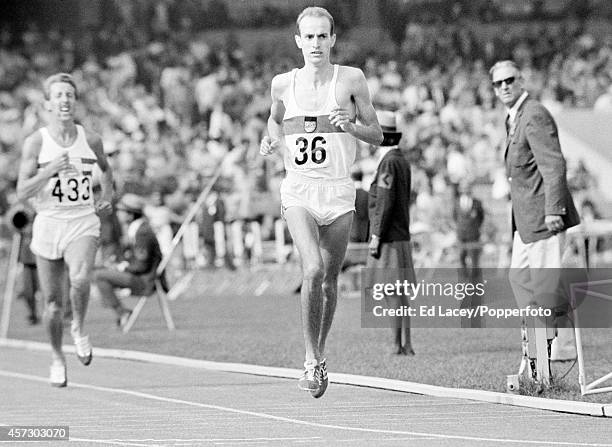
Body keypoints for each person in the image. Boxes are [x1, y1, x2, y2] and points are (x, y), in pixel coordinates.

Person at [260, 6, 383, 397]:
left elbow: (378, 133)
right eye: (308, 37)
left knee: (329, 280)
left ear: (332, 39)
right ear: (298, 41)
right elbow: (274, 120)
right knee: (311, 268)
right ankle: (310, 359)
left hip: (339, 190)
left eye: (321, 36)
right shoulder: (283, 84)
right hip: (298, 189)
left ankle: (321, 355)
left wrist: (353, 127)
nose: (315, 43)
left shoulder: (351, 79)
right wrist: (271, 140)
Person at [16, 73, 113, 387]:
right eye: (58, 95)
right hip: (48, 222)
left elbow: (107, 170)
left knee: (81, 277)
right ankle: (57, 356)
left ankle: (80, 329)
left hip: (82, 220)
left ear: (75, 101)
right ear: (48, 104)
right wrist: (51, 171)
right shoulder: (36, 142)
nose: (64, 100)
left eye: (69, 95)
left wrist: (108, 196)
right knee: (54, 305)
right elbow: (22, 191)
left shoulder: (91, 139)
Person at [490, 60, 580, 366]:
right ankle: (552, 344)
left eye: (509, 80)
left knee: (543, 286)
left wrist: (554, 210)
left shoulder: (534, 113)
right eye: (497, 83)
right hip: (525, 219)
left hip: (543, 216)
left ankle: (554, 349)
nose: (504, 86)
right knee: (521, 280)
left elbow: (553, 164)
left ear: (521, 80)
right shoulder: (514, 117)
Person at [367, 110, 415, 355]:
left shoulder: (387, 162)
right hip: (401, 235)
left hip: (389, 237)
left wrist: (376, 234)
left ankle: (397, 344)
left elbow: (384, 201)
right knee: (400, 293)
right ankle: (406, 343)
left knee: (391, 292)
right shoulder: (401, 160)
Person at [94, 194, 163, 329]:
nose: (118, 214)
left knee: (99, 276)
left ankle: (122, 312)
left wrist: (121, 267)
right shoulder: (136, 229)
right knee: (100, 273)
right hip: (138, 276)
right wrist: (118, 263)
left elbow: (141, 265)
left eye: (121, 211)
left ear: (130, 215)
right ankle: (121, 312)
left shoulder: (142, 232)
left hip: (145, 280)